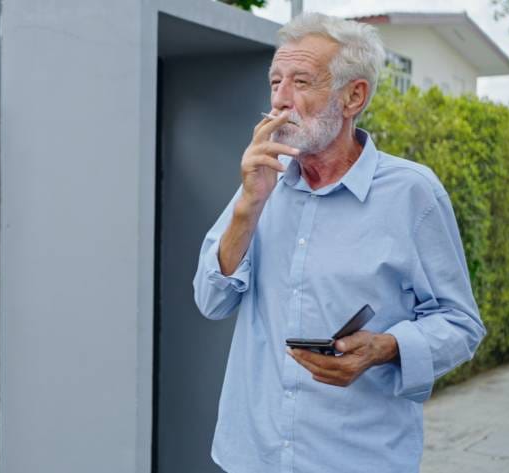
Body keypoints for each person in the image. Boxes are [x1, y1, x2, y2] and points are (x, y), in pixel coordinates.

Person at [192, 12, 485, 473]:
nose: (280, 102)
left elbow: (461, 324)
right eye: (275, 82)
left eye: (301, 82)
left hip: (357, 460)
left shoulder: (413, 193)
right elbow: (211, 301)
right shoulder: (259, 186)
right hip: (251, 456)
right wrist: (249, 205)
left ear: (354, 96)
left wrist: (385, 346)